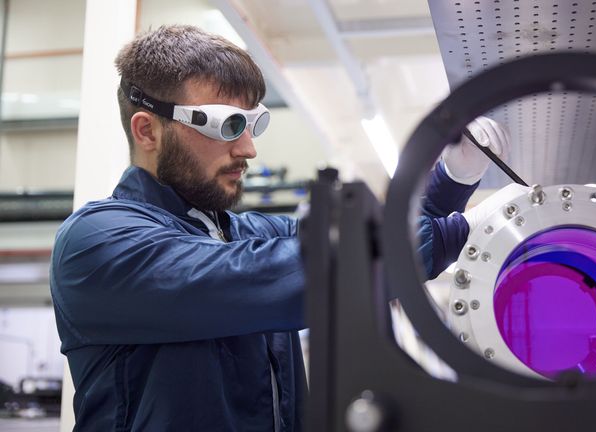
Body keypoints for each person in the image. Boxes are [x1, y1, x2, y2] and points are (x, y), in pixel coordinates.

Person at [49, 25, 512, 431]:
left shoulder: (252, 233)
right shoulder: (98, 244)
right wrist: (462, 230)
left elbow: (360, 250)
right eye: (227, 125)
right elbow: (322, 274)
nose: (248, 149)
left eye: (252, 123)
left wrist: (452, 182)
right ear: (147, 131)